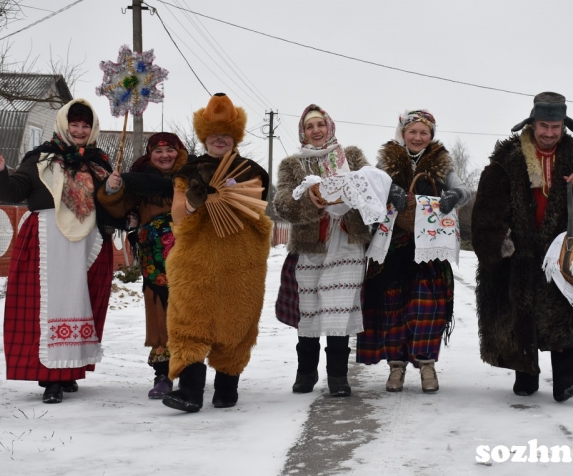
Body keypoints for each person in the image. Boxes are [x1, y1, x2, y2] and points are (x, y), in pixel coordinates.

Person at [472, 92, 573, 402]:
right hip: (520, 250)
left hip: (562, 251)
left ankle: (565, 379)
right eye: (543, 126)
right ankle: (526, 374)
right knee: (520, 313)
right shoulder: (508, 157)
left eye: (556, 127)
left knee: (563, 312)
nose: (549, 133)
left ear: (564, 126)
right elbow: (487, 205)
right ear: (533, 124)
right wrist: (500, 244)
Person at [0, 99, 120, 404]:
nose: (80, 130)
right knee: (47, 307)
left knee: (80, 303)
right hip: (47, 242)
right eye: (74, 124)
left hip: (88, 243)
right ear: (63, 124)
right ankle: (51, 379)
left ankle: (69, 369)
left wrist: (115, 190)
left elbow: (113, 206)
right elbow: (12, 192)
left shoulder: (101, 164)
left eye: (86, 125)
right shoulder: (41, 159)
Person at [161, 93, 272, 413]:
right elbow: (179, 216)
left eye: (225, 135)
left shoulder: (253, 171)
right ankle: (190, 392)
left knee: (237, 324)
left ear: (234, 137)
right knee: (189, 321)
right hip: (197, 260)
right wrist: (195, 201)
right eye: (213, 135)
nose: (219, 140)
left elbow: (256, 211)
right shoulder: (188, 172)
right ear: (203, 136)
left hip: (242, 260)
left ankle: (227, 388)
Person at [356, 109, 471, 393]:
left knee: (427, 308)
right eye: (413, 131)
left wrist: (454, 196)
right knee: (393, 308)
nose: (418, 137)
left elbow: (463, 188)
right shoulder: (386, 161)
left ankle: (427, 365)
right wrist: (388, 191)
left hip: (429, 249)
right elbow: (369, 188)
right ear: (402, 133)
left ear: (431, 135)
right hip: (393, 248)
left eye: (424, 132)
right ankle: (396, 367)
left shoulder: (442, 162)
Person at [273, 104, 374, 397]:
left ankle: (338, 376)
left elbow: (370, 191)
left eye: (320, 125)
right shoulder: (292, 165)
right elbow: (282, 204)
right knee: (310, 311)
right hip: (311, 245)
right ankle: (306, 372)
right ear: (303, 132)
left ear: (329, 127)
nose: (316, 131)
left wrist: (353, 197)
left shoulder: (352, 157)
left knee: (338, 311)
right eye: (309, 126)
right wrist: (310, 202)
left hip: (347, 243)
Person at [96, 132, 190, 398]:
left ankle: (189, 371)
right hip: (155, 259)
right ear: (150, 155)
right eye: (158, 151)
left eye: (170, 150)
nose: (164, 156)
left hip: (189, 256)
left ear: (179, 151)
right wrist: (112, 188)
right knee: (159, 309)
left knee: (188, 310)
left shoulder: (192, 176)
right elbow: (117, 208)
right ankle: (163, 374)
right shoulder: (138, 181)